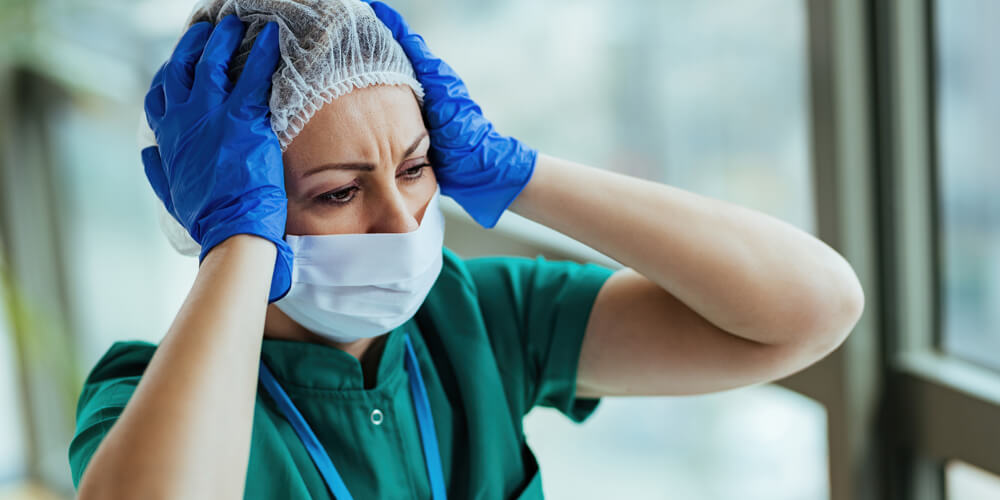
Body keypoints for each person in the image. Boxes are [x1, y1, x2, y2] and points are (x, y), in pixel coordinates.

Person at [68, 1, 866, 498]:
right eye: (339, 193)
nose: (402, 219)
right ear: (221, 211)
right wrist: (239, 243)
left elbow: (812, 310)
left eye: (416, 168)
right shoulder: (140, 397)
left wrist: (516, 173)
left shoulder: (474, 318)